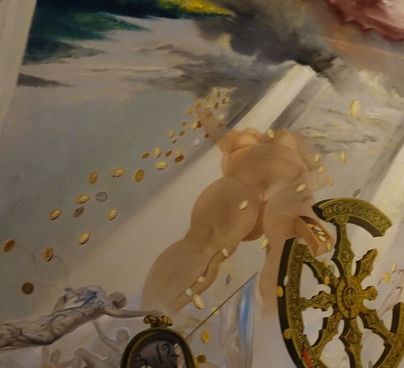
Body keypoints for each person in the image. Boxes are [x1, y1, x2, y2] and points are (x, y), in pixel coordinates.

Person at [142, 110, 335, 316]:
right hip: (243, 189)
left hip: (282, 194)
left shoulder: (294, 139)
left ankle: (271, 327)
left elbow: (322, 175)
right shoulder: (241, 138)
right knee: (203, 244)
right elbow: (211, 124)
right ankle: (150, 313)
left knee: (280, 265)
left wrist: (298, 185)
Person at [0, 286, 153, 350]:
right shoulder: (106, 304)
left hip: (63, 315)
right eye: (119, 304)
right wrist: (147, 312)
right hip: (70, 321)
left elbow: (65, 296)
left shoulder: (96, 290)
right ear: (118, 301)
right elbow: (118, 314)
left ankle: (9, 335)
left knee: (36, 330)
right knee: (47, 338)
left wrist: (55, 313)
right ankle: (13, 334)